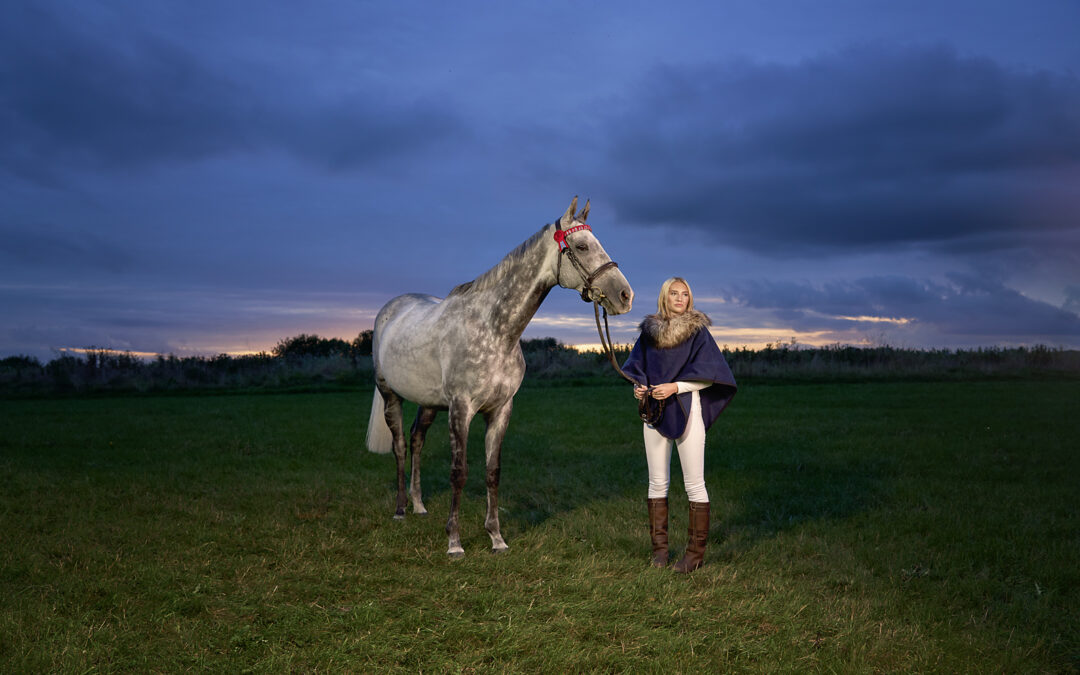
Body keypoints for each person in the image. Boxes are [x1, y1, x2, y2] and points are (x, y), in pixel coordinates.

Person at [621, 277, 737, 572]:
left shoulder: (697, 333)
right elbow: (639, 370)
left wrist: (675, 387)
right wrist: (639, 388)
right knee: (657, 481)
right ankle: (659, 553)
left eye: (685, 294)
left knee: (694, 483)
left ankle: (694, 556)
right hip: (654, 412)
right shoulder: (649, 332)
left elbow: (708, 375)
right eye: (674, 293)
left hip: (688, 409)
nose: (680, 298)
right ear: (664, 296)